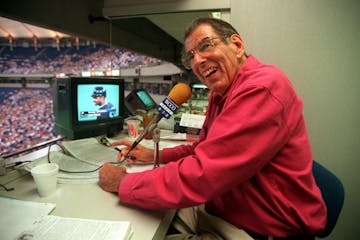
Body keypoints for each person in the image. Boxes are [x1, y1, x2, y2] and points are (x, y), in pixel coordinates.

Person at [98, 17, 327, 239]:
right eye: (191, 56)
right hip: (225, 209)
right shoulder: (221, 93)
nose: (197, 61)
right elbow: (204, 149)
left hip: (262, 228)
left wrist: (123, 183)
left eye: (206, 46)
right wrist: (153, 154)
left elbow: (203, 174)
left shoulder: (262, 87)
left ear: (236, 45)